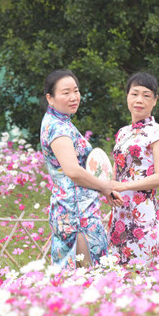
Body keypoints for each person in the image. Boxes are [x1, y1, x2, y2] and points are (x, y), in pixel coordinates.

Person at [40, 69, 122, 269]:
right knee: (88, 278)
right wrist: (104, 187)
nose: (73, 97)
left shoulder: (60, 122)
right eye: (65, 92)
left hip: (73, 208)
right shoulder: (58, 129)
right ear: (50, 98)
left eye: (75, 91)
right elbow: (73, 171)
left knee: (77, 277)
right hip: (76, 214)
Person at [109, 72, 159, 266]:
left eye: (146, 95)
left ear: (155, 101)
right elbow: (115, 171)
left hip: (142, 214)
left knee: (141, 274)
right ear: (127, 96)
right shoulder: (123, 133)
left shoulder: (158, 133)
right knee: (116, 273)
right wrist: (109, 188)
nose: (139, 100)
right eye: (134, 94)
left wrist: (124, 186)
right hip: (118, 212)